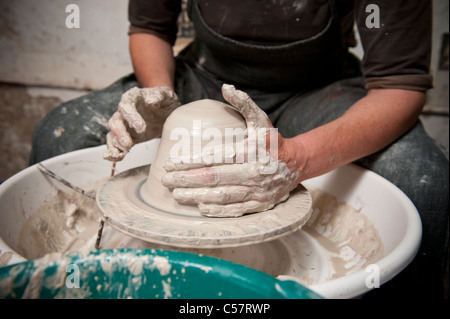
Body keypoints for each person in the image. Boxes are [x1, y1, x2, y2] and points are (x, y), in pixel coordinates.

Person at [30, 0, 448, 298]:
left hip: (320, 89)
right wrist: (162, 95)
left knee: (421, 184)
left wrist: (297, 158)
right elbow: (151, 28)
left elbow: (400, 84)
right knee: (61, 138)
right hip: (204, 78)